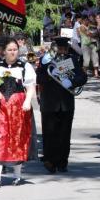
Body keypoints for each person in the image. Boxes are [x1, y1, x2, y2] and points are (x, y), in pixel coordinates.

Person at [0, 37, 36, 188]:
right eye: (10, 50)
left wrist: (27, 101)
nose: (13, 53)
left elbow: (30, 87)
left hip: (18, 109)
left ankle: (17, 176)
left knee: (16, 140)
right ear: (3, 52)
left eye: (15, 50)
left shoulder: (25, 67)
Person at [37, 37, 87, 173]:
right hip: (49, 103)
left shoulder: (72, 60)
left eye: (65, 49)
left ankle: (62, 161)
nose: (62, 52)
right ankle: (49, 160)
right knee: (49, 133)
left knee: (65, 134)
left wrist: (72, 82)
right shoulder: (46, 61)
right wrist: (50, 73)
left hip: (66, 103)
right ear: (54, 49)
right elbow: (39, 78)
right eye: (60, 49)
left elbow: (82, 77)